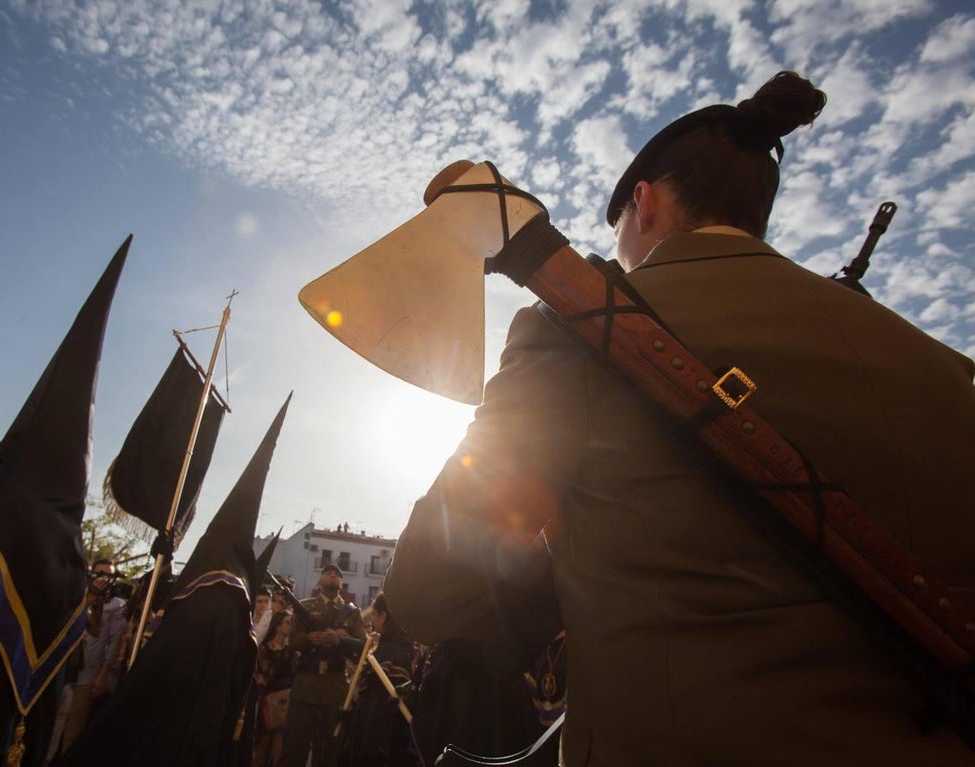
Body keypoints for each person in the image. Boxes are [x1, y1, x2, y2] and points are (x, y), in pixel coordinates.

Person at [385, 70, 975, 765]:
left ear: (646, 202)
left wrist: (564, 555)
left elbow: (428, 588)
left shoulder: (575, 335)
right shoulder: (944, 369)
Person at [280, 564, 366, 767]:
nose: (333, 575)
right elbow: (292, 641)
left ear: (341, 583)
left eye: (337, 574)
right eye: (328, 573)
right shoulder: (305, 607)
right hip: (306, 687)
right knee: (294, 750)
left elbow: (363, 646)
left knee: (328, 753)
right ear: (319, 582)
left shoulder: (352, 613)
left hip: (334, 690)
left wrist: (338, 640)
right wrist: (311, 639)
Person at [54, 558, 126, 756]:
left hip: (86, 675)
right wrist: (89, 597)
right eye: (98, 574)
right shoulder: (71, 594)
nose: (103, 579)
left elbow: (96, 631)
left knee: (71, 735)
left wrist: (97, 603)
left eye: (108, 575)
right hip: (60, 672)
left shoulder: (116, 606)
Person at [348, 593, 416, 767]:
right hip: (394, 731)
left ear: (383, 616)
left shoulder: (388, 650)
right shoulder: (405, 646)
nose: (371, 621)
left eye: (374, 616)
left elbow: (375, 694)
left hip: (378, 729)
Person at [252, 610, 297, 767]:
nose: (290, 626)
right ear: (277, 626)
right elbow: (264, 676)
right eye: (287, 622)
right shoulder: (265, 649)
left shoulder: (292, 652)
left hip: (285, 703)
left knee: (280, 746)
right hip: (268, 701)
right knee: (261, 745)